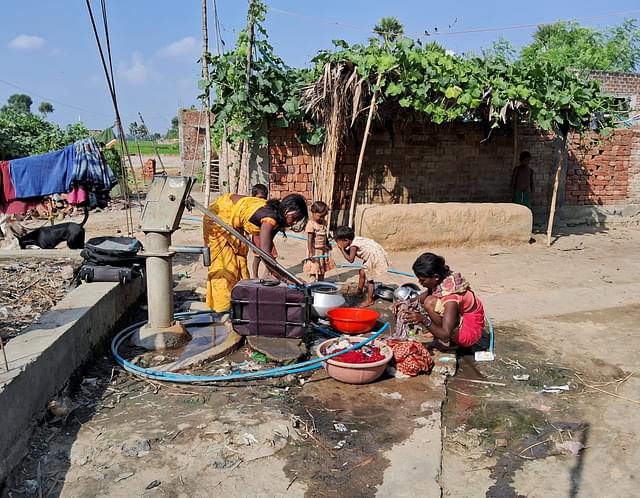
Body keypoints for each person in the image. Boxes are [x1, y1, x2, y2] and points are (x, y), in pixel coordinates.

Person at [203, 192, 308, 312]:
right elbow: (265, 255)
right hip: (218, 215)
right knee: (225, 267)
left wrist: (281, 275)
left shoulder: (276, 217)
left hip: (232, 221)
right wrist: (288, 279)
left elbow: (267, 253)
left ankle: (237, 305)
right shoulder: (269, 219)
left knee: (239, 262)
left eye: (297, 220)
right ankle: (221, 310)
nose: (293, 223)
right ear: (287, 209)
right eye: (294, 218)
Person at [396, 253, 485, 348]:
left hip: (469, 333)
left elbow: (446, 335)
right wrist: (406, 302)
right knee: (429, 300)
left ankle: (451, 341)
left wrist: (423, 319)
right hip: (463, 315)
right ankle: (439, 330)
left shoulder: (451, 299)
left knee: (430, 303)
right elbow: (428, 293)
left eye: (422, 280)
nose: (420, 283)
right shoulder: (443, 278)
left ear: (436, 277)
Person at [333, 226, 390, 307]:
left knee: (370, 279)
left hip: (373, 257)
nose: (338, 244)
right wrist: (344, 248)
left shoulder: (353, 246)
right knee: (362, 272)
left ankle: (370, 300)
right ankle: (359, 292)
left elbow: (350, 260)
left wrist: (342, 249)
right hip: (373, 253)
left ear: (346, 240)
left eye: (339, 242)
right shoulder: (354, 240)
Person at [249, 184, 277, 278]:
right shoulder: (251, 207)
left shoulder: (266, 207)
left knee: (272, 256)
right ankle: (255, 276)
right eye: (260, 197)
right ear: (253, 197)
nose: (262, 200)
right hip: (257, 235)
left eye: (264, 198)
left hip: (266, 236)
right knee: (258, 257)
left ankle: (267, 274)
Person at [303, 201, 334, 281]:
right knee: (314, 268)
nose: (322, 218)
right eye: (320, 216)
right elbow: (309, 239)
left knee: (322, 267)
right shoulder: (311, 224)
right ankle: (312, 283)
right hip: (314, 251)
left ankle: (321, 283)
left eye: (324, 216)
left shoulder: (323, 223)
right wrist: (310, 252)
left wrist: (327, 243)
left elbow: (324, 235)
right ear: (313, 213)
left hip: (322, 250)